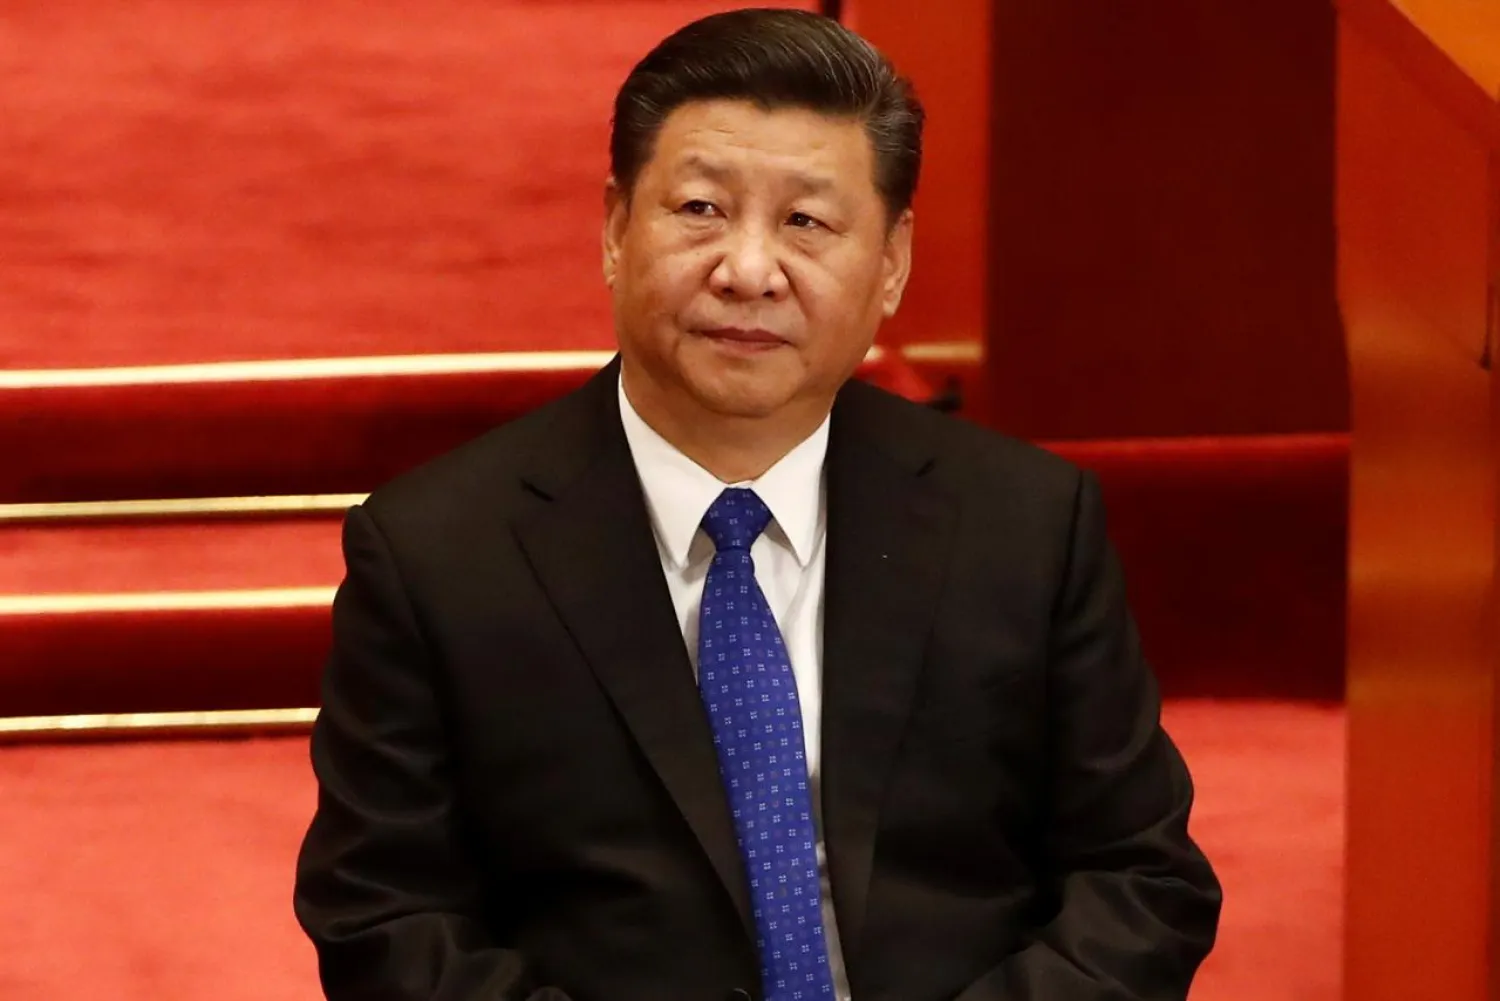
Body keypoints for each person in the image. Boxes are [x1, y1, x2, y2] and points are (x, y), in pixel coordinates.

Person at [293, 9, 1222, 1001]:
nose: (746, 269)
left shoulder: (1027, 523)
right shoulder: (440, 552)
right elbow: (385, 919)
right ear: (614, 228)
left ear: (894, 261)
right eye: (699, 208)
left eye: (806, 222)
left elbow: (1141, 875)